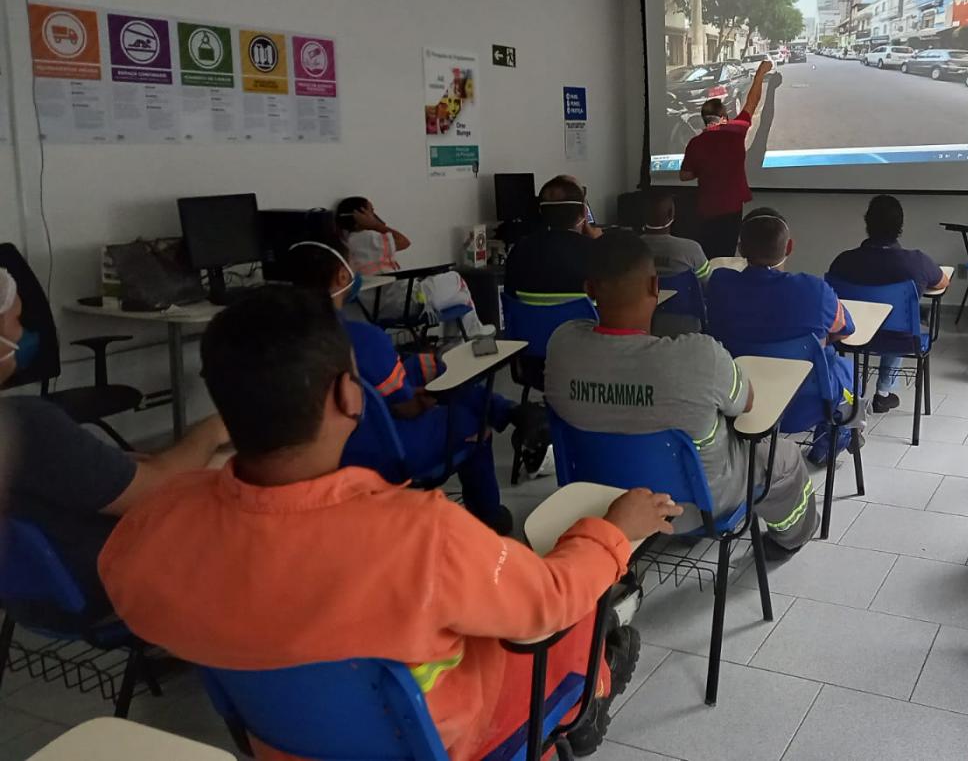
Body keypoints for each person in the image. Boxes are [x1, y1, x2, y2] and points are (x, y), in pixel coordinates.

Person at [99, 286, 682, 760]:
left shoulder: (164, 523)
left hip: (283, 744)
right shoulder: (421, 535)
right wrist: (612, 529)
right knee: (574, 603)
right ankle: (590, 691)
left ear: (222, 409)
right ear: (348, 398)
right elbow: (548, 601)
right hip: (449, 740)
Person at [545, 230, 818, 559]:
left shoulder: (562, 345)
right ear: (654, 287)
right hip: (694, 507)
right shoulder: (698, 356)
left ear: (588, 290)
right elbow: (745, 402)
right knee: (784, 457)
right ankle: (791, 538)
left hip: (597, 498)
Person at [0, 267, 228, 627]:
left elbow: (64, 476)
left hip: (24, 596)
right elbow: (154, 491)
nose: (24, 331)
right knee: (226, 515)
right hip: (97, 585)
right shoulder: (24, 424)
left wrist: (126, 466)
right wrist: (213, 430)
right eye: (16, 320)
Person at [283, 239, 516, 535]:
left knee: (434, 373)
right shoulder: (363, 339)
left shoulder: (281, 342)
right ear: (342, 277)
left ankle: (509, 411)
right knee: (473, 420)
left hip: (318, 453)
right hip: (384, 452)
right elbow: (406, 408)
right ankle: (489, 519)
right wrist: (429, 398)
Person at [706, 209, 863, 466]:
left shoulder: (720, 285)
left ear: (739, 247)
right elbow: (847, 329)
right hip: (806, 406)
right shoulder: (814, 291)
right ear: (789, 247)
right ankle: (829, 442)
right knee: (845, 372)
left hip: (738, 400)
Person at [827, 194, 950, 413]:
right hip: (899, 340)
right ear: (900, 226)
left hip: (852, 337)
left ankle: (851, 391)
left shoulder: (843, 261)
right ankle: (883, 393)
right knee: (901, 319)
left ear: (867, 223)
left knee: (891, 318)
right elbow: (943, 282)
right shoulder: (916, 261)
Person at [335, 194, 491, 335]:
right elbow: (404, 241)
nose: (375, 215)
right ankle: (471, 332)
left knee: (460, 297)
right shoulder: (367, 237)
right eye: (371, 211)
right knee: (456, 279)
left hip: (381, 310)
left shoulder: (345, 246)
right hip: (409, 302)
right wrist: (375, 225)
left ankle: (464, 337)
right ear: (360, 216)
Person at [679, 58, 774, 259]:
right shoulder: (736, 132)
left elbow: (685, 175)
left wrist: (702, 169)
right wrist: (760, 75)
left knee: (709, 254)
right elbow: (752, 102)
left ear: (705, 119)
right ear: (724, 117)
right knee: (727, 255)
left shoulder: (696, 143)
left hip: (706, 209)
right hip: (731, 208)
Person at [504, 175, 593, 301]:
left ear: (541, 212)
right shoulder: (597, 252)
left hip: (532, 320)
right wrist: (601, 243)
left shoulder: (520, 249)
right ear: (584, 212)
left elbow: (510, 297)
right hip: (586, 320)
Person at [640, 188, 711, 282]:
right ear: (671, 214)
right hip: (683, 296)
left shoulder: (628, 249)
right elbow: (707, 283)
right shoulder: (692, 249)